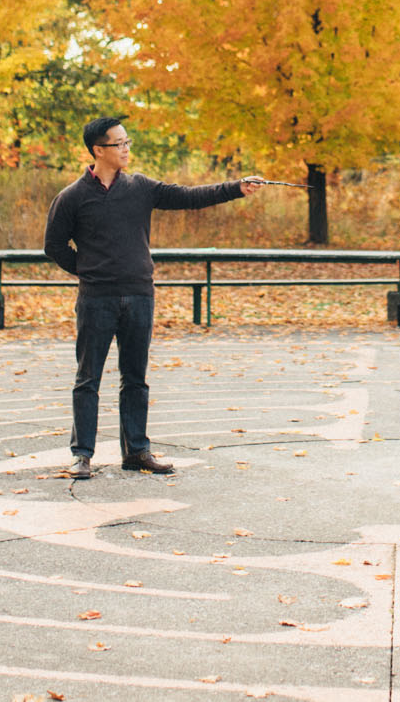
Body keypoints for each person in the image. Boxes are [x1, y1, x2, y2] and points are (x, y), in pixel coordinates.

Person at [44, 114, 264, 478]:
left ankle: (137, 451)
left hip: (139, 296)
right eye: (120, 144)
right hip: (96, 299)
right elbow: (53, 246)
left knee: (136, 378)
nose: (127, 149)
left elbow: (189, 197)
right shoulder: (72, 197)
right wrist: (88, 271)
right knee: (88, 379)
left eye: (128, 142)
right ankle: (82, 455)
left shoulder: (141, 187)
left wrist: (236, 188)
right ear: (99, 150)